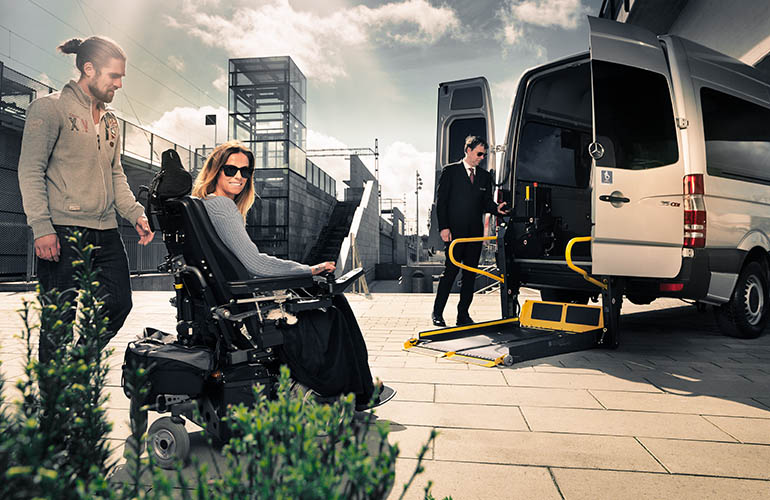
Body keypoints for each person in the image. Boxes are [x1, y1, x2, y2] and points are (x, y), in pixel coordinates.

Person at [191, 141, 394, 410]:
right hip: (248, 301)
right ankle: (358, 389)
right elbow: (255, 264)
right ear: (215, 171)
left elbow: (248, 263)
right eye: (230, 170)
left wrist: (303, 271)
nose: (239, 176)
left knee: (331, 299)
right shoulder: (223, 208)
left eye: (245, 171)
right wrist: (308, 270)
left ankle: (360, 386)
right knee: (334, 304)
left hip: (234, 295)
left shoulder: (209, 205)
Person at [18, 36, 154, 363]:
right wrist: (42, 227)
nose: (119, 84)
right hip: (63, 231)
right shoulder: (50, 109)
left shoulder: (110, 122)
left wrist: (135, 213)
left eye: (122, 77)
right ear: (89, 69)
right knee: (59, 320)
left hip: (106, 230)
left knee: (120, 303)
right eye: (113, 76)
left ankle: (78, 367)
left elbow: (115, 174)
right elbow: (30, 170)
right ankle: (52, 400)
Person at [432, 136, 509, 327]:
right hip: (454, 233)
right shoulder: (450, 171)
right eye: (479, 153)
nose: (481, 157)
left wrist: (496, 208)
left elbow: (486, 203)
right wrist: (443, 227)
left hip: (475, 234)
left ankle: (463, 316)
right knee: (450, 272)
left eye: (483, 154)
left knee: (469, 275)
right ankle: (437, 313)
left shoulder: (484, 176)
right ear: (468, 150)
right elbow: (441, 202)